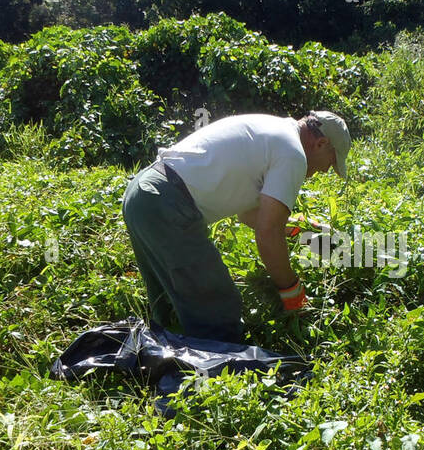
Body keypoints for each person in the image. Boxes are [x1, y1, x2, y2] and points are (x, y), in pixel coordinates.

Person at [122, 110, 351, 344]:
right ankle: (215, 372)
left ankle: (163, 364)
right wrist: (292, 292)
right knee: (218, 309)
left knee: (169, 302)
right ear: (321, 143)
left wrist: (297, 229)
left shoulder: (273, 129)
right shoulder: (293, 153)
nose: (325, 171)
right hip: (166, 205)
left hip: (143, 194)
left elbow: (249, 214)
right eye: (331, 162)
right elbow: (267, 233)